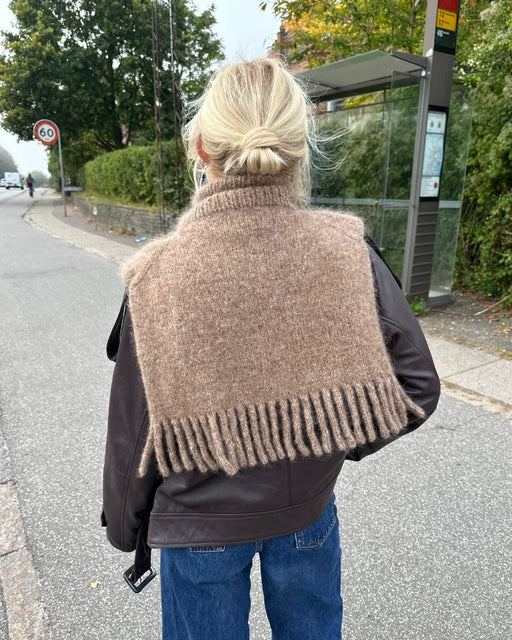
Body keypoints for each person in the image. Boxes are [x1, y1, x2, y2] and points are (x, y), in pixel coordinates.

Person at [102, 57, 440, 640]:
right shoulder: (346, 249)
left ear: (201, 147)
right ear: (299, 150)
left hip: (197, 527)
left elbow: (135, 430)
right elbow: (417, 386)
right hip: (306, 512)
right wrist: (324, 438)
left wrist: (125, 529)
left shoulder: (157, 275)